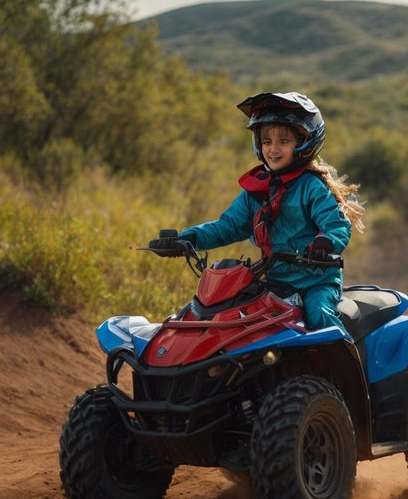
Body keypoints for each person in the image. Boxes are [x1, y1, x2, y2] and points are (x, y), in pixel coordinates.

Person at [151, 91, 365, 338]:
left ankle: (344, 373)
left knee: (319, 314)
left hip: (315, 282)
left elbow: (336, 224)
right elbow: (227, 226)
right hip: (274, 281)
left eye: (283, 141)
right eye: (266, 141)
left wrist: (325, 242)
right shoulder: (257, 190)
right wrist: (187, 239)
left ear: (305, 142)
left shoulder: (312, 187)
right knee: (236, 318)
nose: (273, 149)